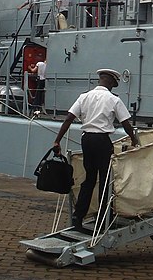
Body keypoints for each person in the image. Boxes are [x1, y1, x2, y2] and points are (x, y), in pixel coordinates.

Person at [53, 69, 138, 231]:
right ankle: (103, 219)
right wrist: (134, 140)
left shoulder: (83, 97)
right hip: (102, 141)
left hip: (87, 140)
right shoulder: (113, 100)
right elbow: (126, 123)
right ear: (112, 82)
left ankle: (78, 218)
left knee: (89, 180)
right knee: (106, 181)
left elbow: (69, 118)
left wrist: (57, 141)